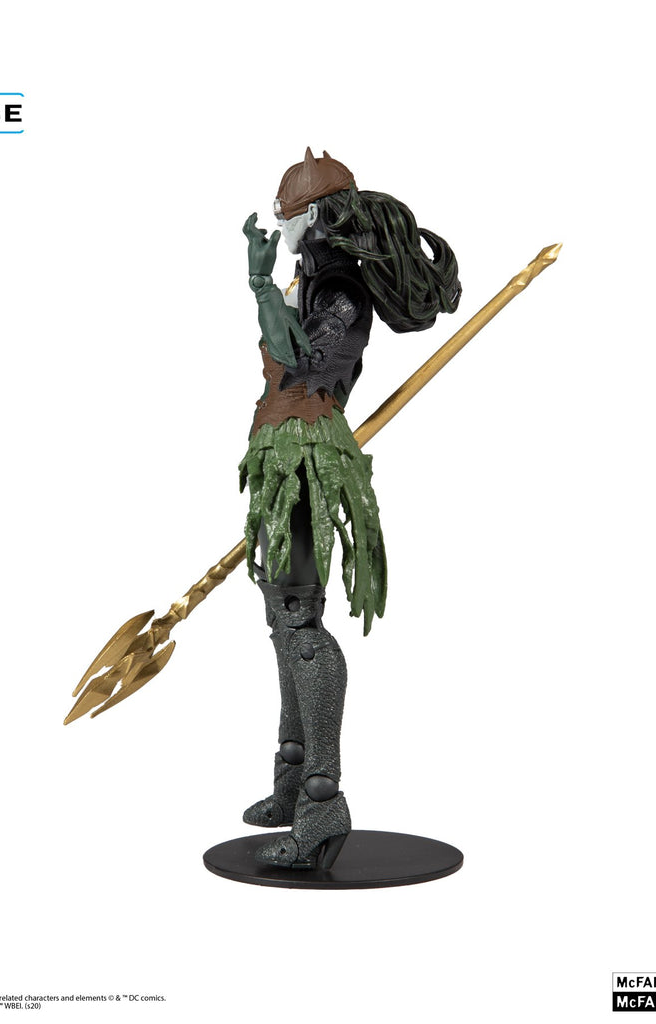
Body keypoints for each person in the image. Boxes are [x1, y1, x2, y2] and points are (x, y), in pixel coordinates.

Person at [238, 149, 461, 868]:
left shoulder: (339, 291)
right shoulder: (312, 281)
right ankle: (292, 777)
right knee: (283, 615)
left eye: (287, 217)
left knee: (299, 622)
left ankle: (322, 802)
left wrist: (260, 288)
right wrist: (273, 290)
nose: (280, 228)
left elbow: (303, 365)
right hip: (280, 453)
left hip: (310, 455)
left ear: (312, 216)